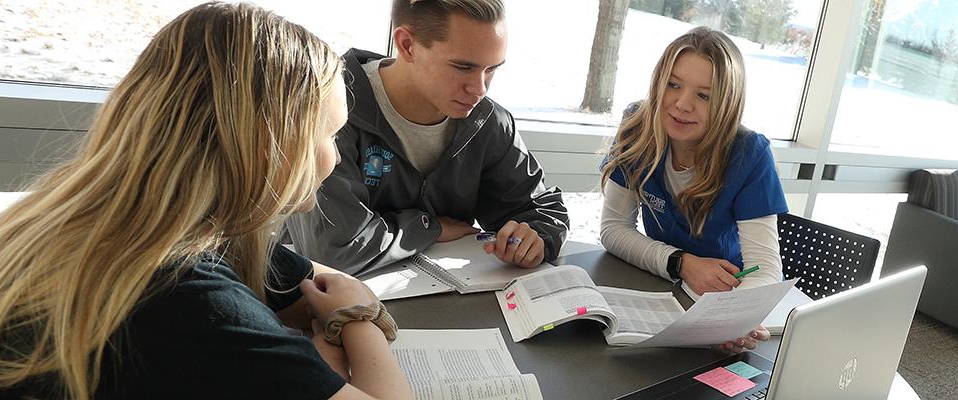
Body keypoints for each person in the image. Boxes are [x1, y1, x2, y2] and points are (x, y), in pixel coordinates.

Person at [0, 3, 411, 399]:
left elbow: (312, 285)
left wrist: (320, 339)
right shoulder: (181, 294)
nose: (336, 155)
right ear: (270, 143)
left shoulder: (119, 216)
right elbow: (335, 301)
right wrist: (358, 322)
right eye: (330, 133)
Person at [285, 0, 568, 276]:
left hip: (448, 308)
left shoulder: (489, 122)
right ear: (407, 45)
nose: (480, 88)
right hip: (322, 309)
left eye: (492, 69)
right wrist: (430, 227)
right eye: (463, 67)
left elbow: (542, 210)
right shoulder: (327, 113)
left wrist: (535, 238)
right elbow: (333, 249)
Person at [599, 27, 786, 353]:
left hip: (722, 294)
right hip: (657, 285)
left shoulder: (750, 153)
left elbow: (767, 268)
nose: (682, 104)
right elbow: (613, 229)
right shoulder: (637, 126)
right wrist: (681, 263)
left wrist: (734, 318)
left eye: (704, 95)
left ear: (726, 104)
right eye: (673, 85)